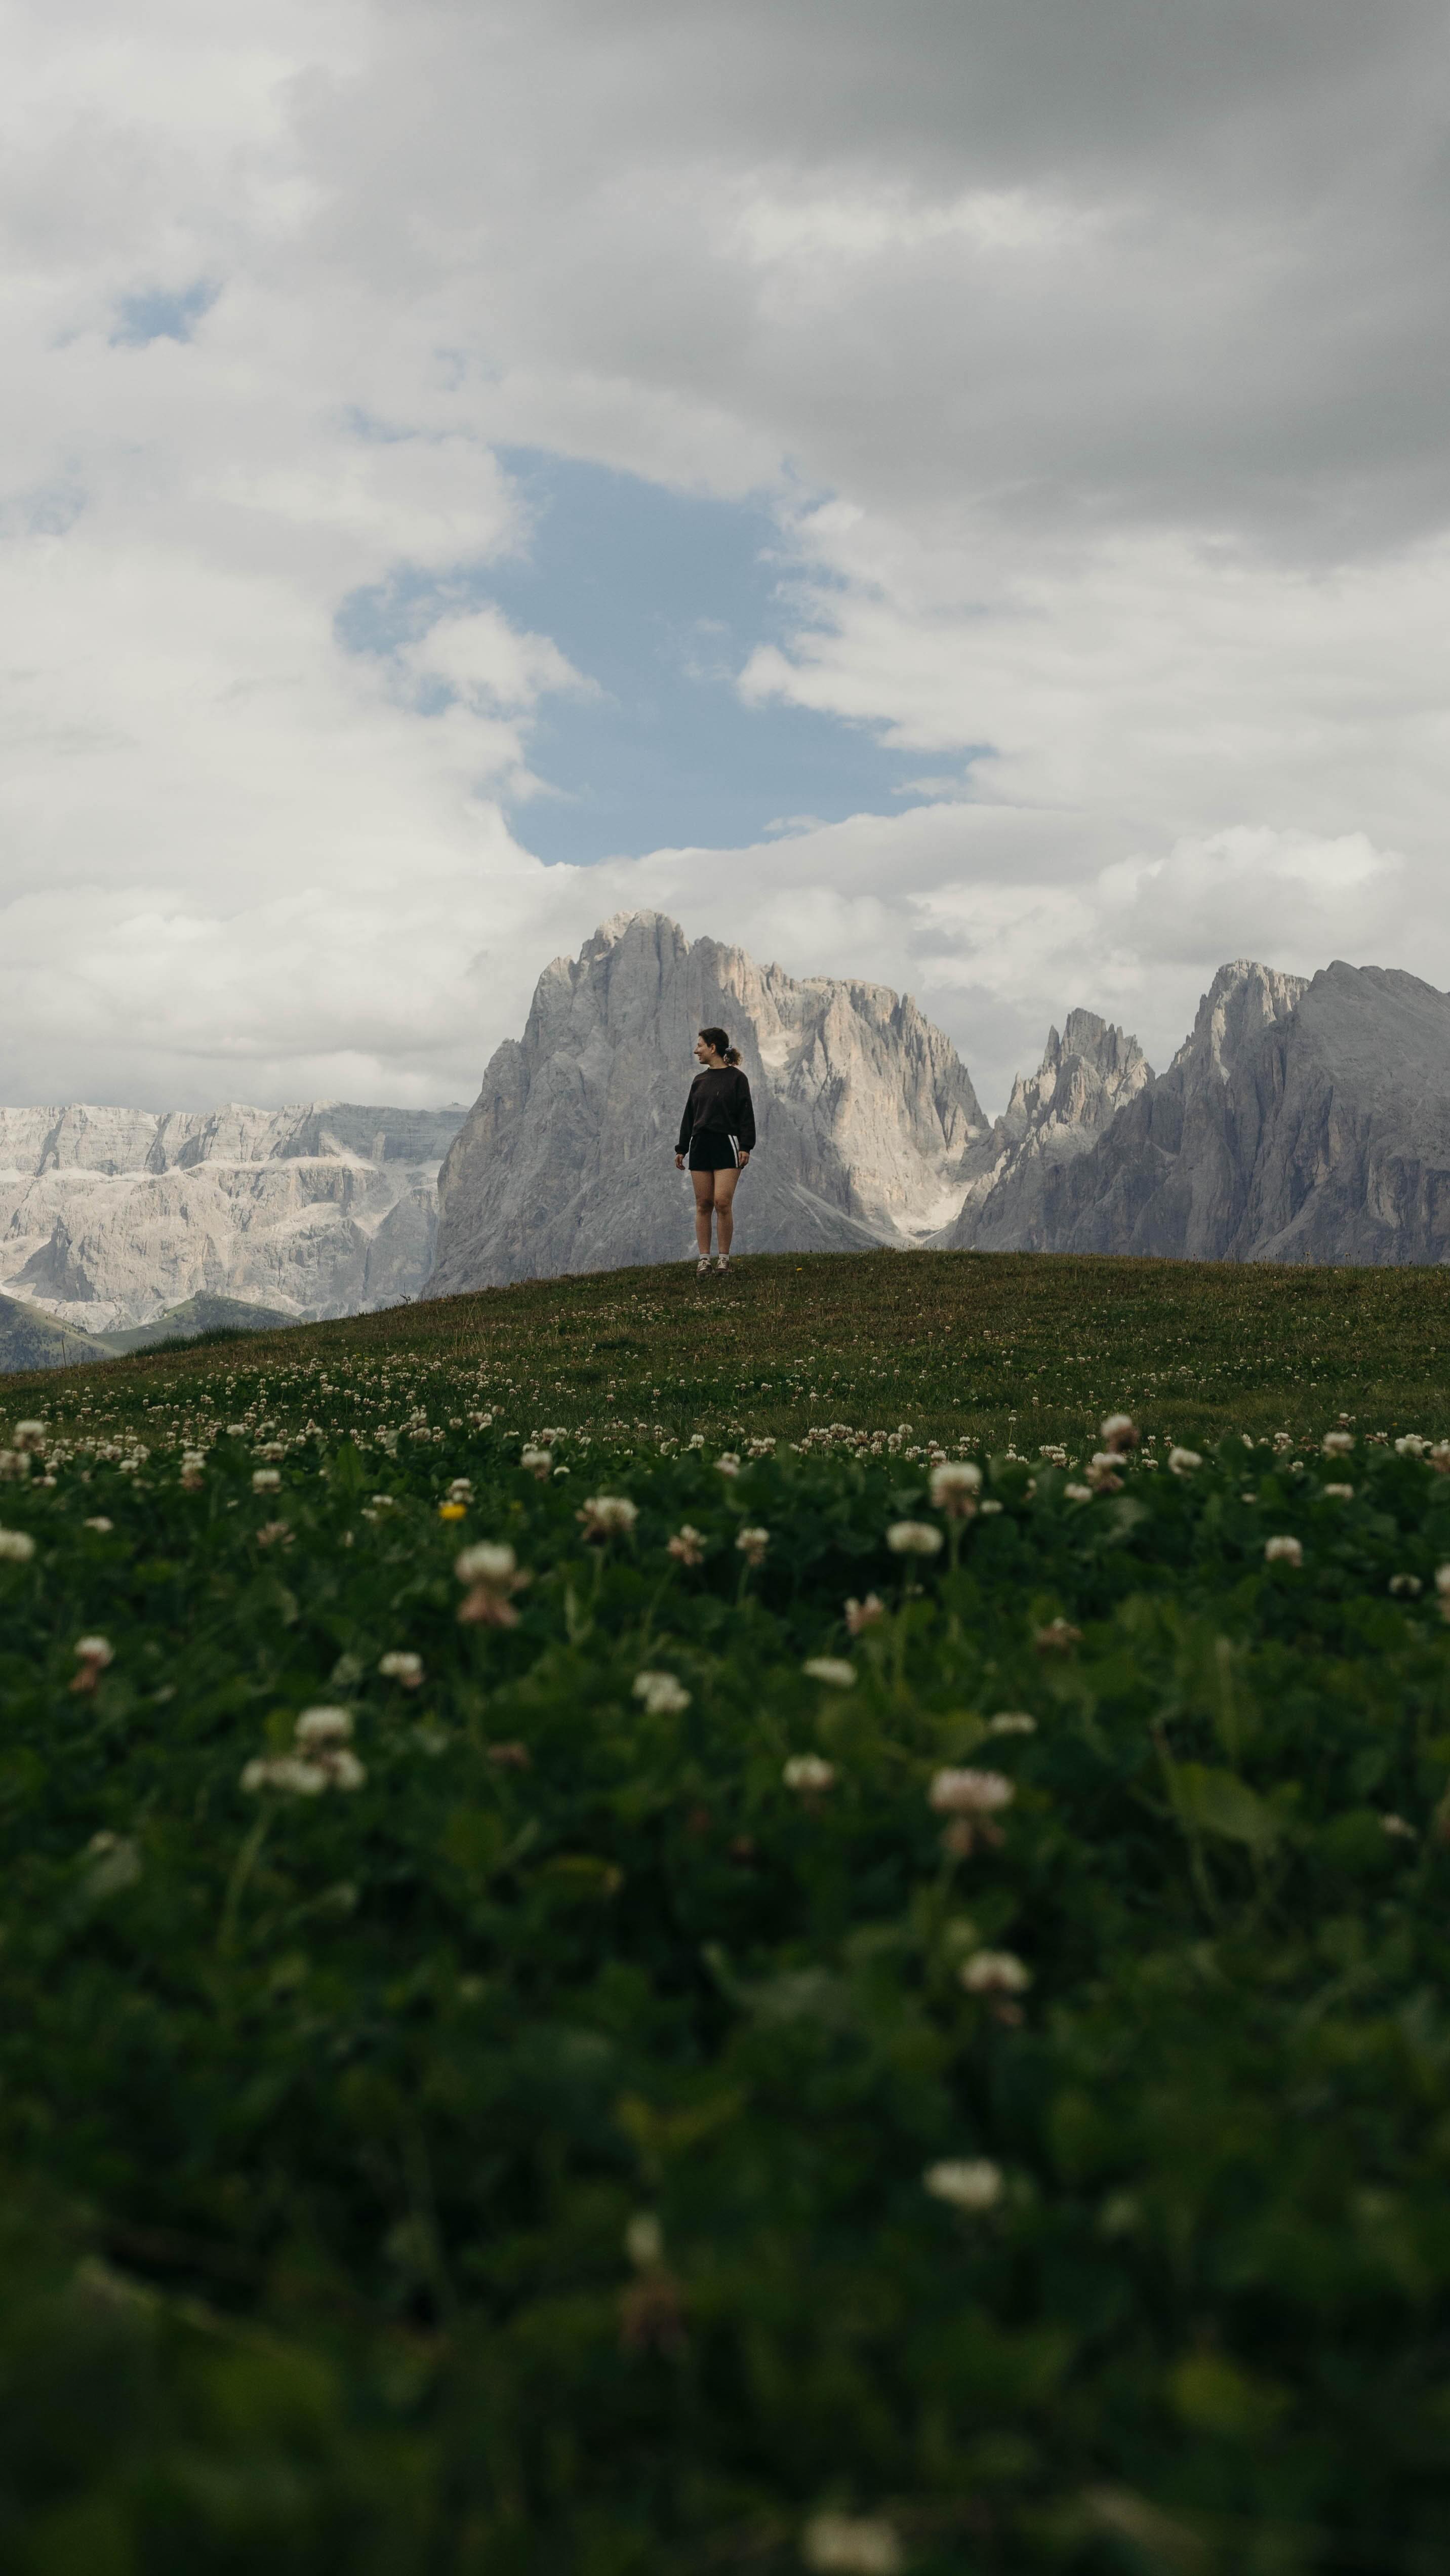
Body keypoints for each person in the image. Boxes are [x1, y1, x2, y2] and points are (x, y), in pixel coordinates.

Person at [675, 1026, 755, 1274]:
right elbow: (690, 1115)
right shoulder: (699, 1081)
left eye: (700, 1045)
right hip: (700, 1145)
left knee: (722, 1202)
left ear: (713, 1048)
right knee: (703, 1203)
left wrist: (746, 1146)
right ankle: (704, 1260)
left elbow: (746, 1114)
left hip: (727, 1144)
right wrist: (682, 1148)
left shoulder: (737, 1079)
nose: (696, 1050)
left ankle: (723, 1259)